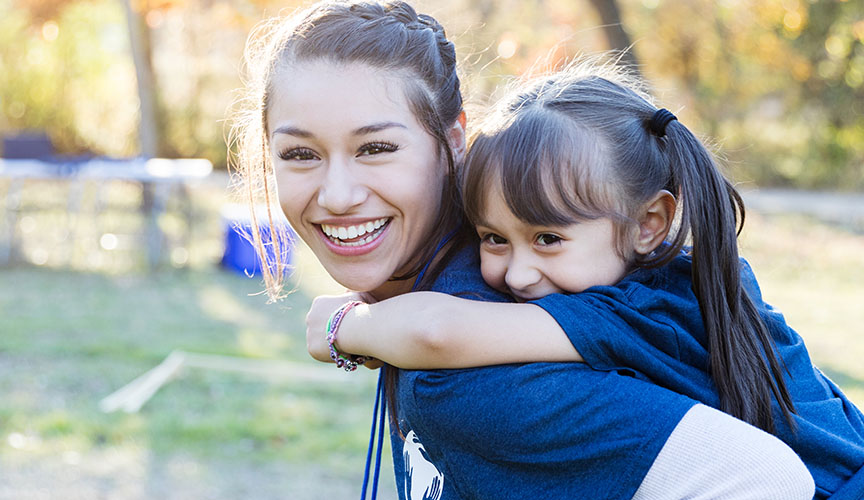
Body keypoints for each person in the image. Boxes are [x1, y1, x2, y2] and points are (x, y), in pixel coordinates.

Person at [231, 1, 815, 499]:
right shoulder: (447, 301)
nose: (337, 195)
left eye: (377, 147)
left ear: (452, 141)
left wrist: (343, 328)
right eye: (300, 154)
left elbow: (764, 478)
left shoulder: (475, 377)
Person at [304, 65, 864, 498]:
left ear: (650, 224)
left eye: (548, 239)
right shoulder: (676, 279)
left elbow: (437, 332)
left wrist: (340, 325)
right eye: (493, 238)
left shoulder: (632, 310)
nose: (516, 273)